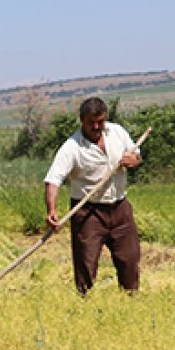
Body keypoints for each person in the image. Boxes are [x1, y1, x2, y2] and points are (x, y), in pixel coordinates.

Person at [43, 97, 143, 295]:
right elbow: (54, 180)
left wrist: (134, 160)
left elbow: (136, 154)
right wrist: (52, 210)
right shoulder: (72, 147)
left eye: (100, 121)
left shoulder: (117, 132)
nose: (96, 126)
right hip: (88, 212)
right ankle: (84, 302)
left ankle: (132, 300)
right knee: (86, 263)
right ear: (82, 120)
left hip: (120, 208)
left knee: (130, 260)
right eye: (91, 122)